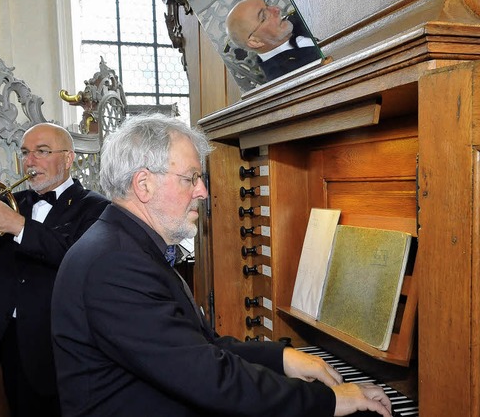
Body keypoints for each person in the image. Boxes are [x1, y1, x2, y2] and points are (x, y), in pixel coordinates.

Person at [51, 114, 392, 417]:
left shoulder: (127, 246)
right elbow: (208, 377)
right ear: (144, 185)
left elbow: (201, 347)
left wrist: (282, 358)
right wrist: (329, 400)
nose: (202, 191)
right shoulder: (114, 264)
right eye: (191, 177)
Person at [0, 123, 109, 417]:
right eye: (26, 153)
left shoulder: (95, 207)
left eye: (42, 152)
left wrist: (17, 225)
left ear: (68, 159)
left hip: (63, 345)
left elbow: (78, 260)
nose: (30, 161)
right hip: (13, 341)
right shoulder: (11, 202)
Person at [226, 0, 323, 82]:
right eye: (264, 16)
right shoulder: (287, 76)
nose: (277, 9)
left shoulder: (296, 18)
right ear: (255, 42)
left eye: (267, 5)